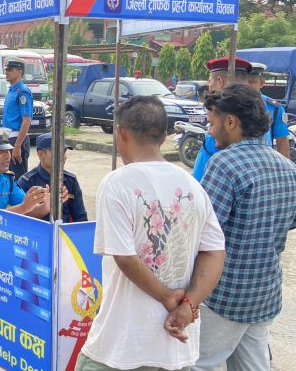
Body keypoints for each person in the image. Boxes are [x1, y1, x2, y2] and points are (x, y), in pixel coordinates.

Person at [75, 96, 226, 371]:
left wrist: (169, 297)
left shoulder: (117, 183)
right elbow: (215, 251)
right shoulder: (193, 185)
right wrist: (188, 305)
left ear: (120, 133)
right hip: (176, 348)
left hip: (122, 347)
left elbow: (125, 256)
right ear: (165, 136)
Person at [192, 85, 296, 371]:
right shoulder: (289, 167)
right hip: (264, 292)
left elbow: (202, 228)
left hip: (224, 294)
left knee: (197, 364)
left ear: (230, 122)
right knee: (253, 365)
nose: (209, 131)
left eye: (212, 122)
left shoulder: (224, 163)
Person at [192, 57, 290, 181]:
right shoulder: (292, 172)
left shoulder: (221, 163)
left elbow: (282, 141)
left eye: (210, 81)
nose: (209, 85)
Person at [18, 133, 87, 223]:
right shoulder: (27, 181)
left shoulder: (70, 180)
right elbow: (20, 218)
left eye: (65, 151)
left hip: (64, 234)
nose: (64, 157)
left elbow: (80, 217)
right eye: (58, 152)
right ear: (41, 154)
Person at [1, 57, 33, 177]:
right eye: (6, 69)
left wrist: (17, 146)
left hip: (17, 139)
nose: (7, 72)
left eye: (10, 69)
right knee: (7, 177)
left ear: (19, 72)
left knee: (18, 179)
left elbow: (26, 120)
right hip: (7, 138)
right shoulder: (11, 91)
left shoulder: (22, 92)